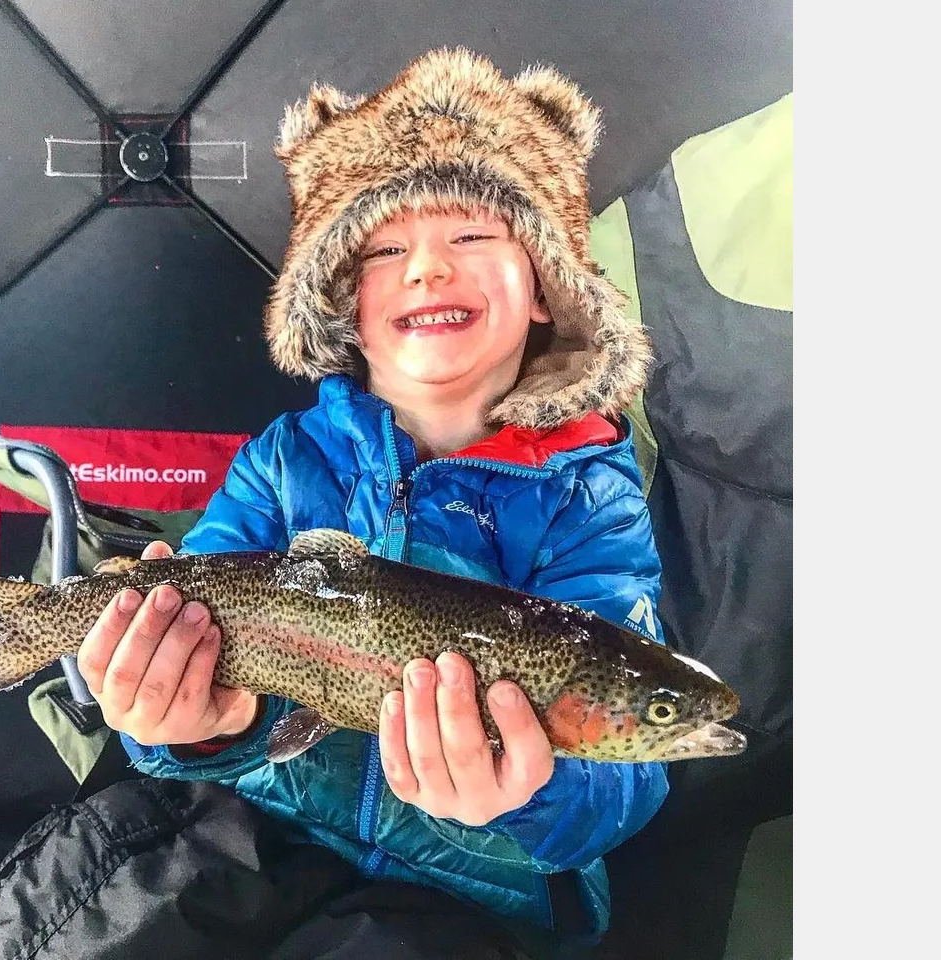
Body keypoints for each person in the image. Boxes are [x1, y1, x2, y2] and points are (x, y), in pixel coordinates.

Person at [76, 47, 669, 942]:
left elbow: (627, 782)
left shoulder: (589, 499)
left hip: (468, 899)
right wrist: (193, 724)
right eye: (385, 248)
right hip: (257, 846)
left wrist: (532, 792)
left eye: (472, 234)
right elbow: (182, 687)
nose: (427, 269)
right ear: (344, 304)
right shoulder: (282, 461)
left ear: (549, 285)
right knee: (73, 896)